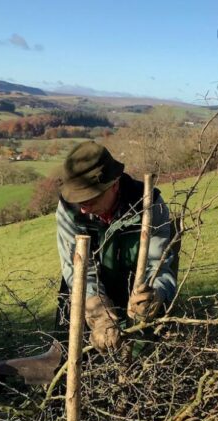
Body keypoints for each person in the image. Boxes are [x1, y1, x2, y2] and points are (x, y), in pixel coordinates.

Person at [56, 141, 178, 352]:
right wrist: (99, 315)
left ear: (114, 185)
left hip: (133, 297)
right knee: (74, 357)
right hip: (86, 297)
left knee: (144, 357)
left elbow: (159, 266)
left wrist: (155, 295)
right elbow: (77, 273)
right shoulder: (69, 210)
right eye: (79, 201)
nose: (83, 209)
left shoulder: (149, 205)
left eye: (90, 199)